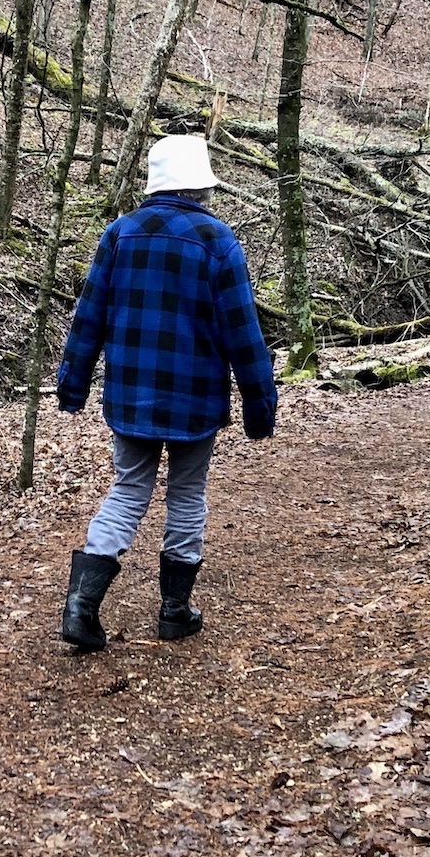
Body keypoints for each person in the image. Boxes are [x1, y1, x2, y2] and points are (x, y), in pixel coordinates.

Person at [55, 133, 278, 651]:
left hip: (130, 395)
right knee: (186, 494)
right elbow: (242, 330)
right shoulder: (217, 240)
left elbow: (89, 316)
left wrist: (73, 384)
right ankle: (175, 612)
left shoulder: (119, 234)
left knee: (128, 490)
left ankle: (80, 609)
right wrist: (259, 403)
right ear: (200, 184)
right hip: (195, 398)